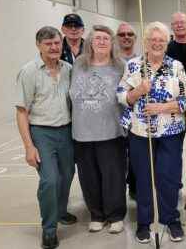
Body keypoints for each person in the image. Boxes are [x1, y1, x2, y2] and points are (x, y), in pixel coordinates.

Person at [117, 21, 186, 243]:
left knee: (169, 177)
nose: (157, 43)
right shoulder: (133, 66)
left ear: (167, 43)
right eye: (152, 40)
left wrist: (161, 107)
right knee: (144, 179)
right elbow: (121, 95)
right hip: (140, 132)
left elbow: (185, 100)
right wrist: (139, 90)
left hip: (171, 131)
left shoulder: (176, 66)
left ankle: (171, 219)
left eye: (161, 40)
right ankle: (144, 222)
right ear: (146, 42)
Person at [15, 26, 76, 249]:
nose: (53, 47)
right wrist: (28, 146)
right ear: (38, 45)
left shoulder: (69, 68)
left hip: (66, 130)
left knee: (68, 173)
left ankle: (60, 211)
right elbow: (22, 111)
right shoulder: (29, 72)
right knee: (50, 179)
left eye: (57, 43)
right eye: (48, 44)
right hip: (42, 132)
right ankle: (49, 229)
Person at [70, 25, 126, 234]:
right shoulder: (78, 64)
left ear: (112, 44)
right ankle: (96, 214)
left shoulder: (120, 65)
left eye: (106, 38)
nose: (101, 42)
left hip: (111, 131)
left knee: (113, 176)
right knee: (88, 176)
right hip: (82, 132)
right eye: (97, 38)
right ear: (90, 42)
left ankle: (115, 215)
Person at [116, 22, 139, 200]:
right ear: (117, 38)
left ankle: (134, 187)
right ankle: (115, 192)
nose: (126, 37)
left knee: (136, 155)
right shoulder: (110, 60)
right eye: (122, 34)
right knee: (116, 157)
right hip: (113, 115)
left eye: (130, 34)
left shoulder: (141, 61)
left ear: (135, 38)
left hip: (135, 117)